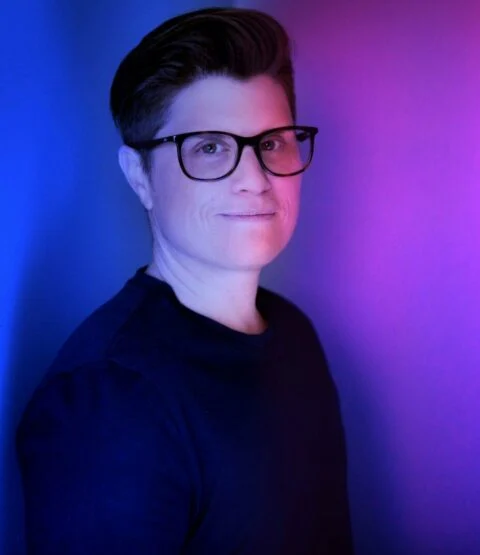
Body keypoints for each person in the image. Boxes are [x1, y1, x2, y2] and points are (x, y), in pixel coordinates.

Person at [16, 7, 353, 554]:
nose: (255, 179)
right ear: (139, 176)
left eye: (272, 142)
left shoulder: (295, 334)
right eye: (210, 147)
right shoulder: (107, 401)